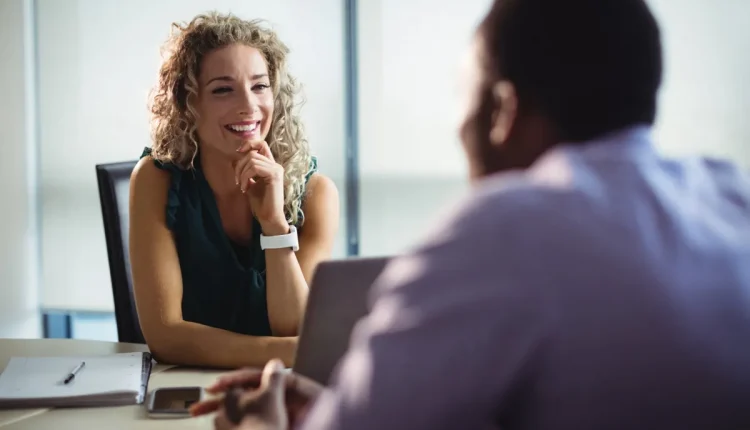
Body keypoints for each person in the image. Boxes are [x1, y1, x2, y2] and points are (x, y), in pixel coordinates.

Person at [193, 0, 750, 428]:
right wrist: (332, 407)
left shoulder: (504, 228)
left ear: (501, 110)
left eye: (464, 98)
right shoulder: (730, 199)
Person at [128, 12, 340, 369]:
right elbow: (165, 336)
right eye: (223, 89)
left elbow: (296, 326)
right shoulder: (155, 179)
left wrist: (274, 225)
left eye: (260, 86)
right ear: (189, 103)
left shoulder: (316, 194)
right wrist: (288, 352)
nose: (248, 106)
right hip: (184, 387)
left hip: (279, 395)